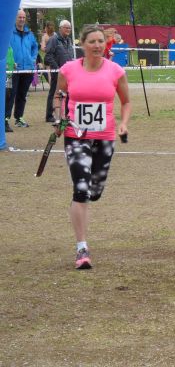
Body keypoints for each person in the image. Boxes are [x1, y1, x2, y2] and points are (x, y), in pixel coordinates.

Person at [55, 25, 131, 269]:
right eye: (92, 42)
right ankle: (82, 249)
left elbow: (126, 101)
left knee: (94, 191)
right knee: (81, 189)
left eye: (101, 41)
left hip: (104, 137)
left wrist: (124, 124)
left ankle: (90, 193)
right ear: (82, 44)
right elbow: (59, 95)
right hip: (75, 136)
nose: (97, 45)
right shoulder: (68, 70)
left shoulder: (116, 71)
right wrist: (58, 117)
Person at [5, 10, 39, 128]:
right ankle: (5, 119)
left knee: (22, 95)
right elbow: (4, 47)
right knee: (10, 94)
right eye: (20, 17)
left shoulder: (30, 33)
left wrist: (33, 58)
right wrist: (9, 61)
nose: (22, 19)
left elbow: (35, 47)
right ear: (15, 18)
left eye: (23, 17)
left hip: (28, 69)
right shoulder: (9, 32)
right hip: (13, 70)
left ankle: (19, 118)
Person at [44, 19, 74, 122]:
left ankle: (65, 114)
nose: (68, 30)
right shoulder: (54, 39)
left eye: (69, 28)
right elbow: (48, 56)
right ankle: (49, 115)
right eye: (66, 27)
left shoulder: (68, 40)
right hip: (57, 72)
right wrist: (57, 68)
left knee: (68, 93)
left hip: (68, 72)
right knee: (54, 93)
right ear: (60, 28)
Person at [4, 45, 14, 133]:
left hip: (9, 76)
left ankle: (5, 122)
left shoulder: (9, 45)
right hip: (3, 75)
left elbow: (10, 56)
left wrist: (13, 63)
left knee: (8, 98)